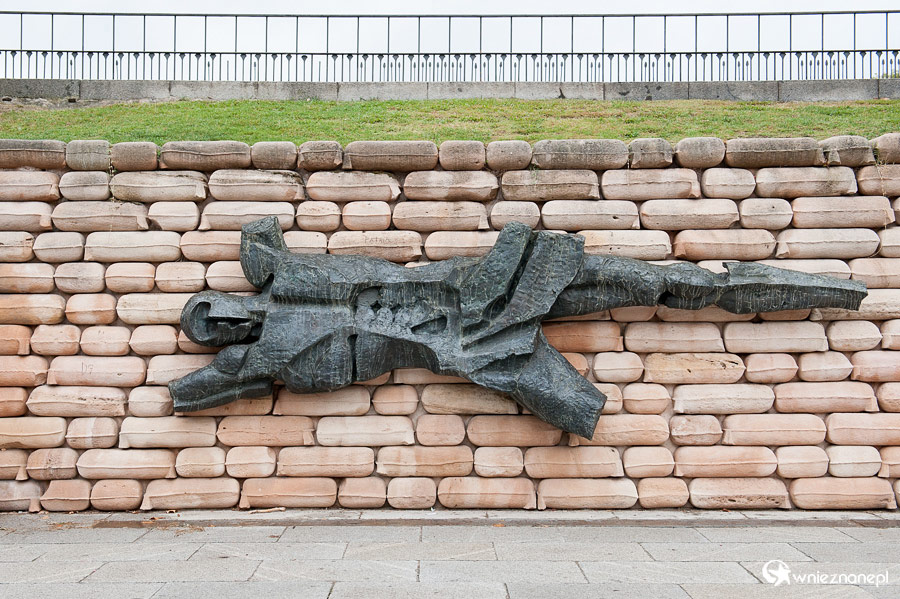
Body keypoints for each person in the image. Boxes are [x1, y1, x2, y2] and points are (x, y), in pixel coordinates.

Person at [170, 217, 866, 438]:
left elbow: (258, 240)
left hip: (484, 284)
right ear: (222, 339)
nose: (222, 316)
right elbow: (194, 391)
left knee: (671, 282)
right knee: (573, 405)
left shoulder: (278, 272)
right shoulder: (267, 360)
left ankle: (837, 289)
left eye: (213, 303)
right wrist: (195, 386)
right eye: (213, 326)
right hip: (476, 349)